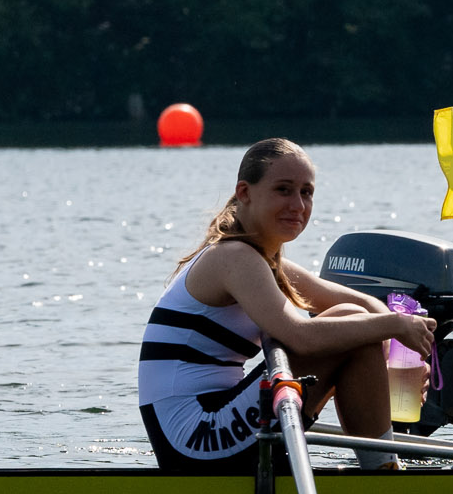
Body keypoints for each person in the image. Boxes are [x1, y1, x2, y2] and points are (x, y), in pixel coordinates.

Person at [138, 137, 436, 472]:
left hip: (208, 424)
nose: (298, 204)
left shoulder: (260, 259)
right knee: (352, 327)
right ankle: (385, 475)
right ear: (245, 193)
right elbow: (302, 337)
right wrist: (395, 326)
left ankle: (382, 467)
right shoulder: (234, 257)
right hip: (194, 436)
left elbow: (362, 302)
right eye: (284, 189)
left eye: (306, 192)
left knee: (355, 323)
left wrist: (396, 352)